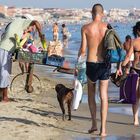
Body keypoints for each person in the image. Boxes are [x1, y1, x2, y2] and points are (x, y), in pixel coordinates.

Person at [77, 3, 111, 136]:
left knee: (91, 95)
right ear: (102, 13)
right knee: (103, 96)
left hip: (91, 64)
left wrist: (77, 64)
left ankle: (94, 124)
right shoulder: (107, 27)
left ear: (92, 13)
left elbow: (83, 50)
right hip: (104, 65)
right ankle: (103, 130)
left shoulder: (85, 28)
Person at [0, 18, 44, 102]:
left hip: (5, 49)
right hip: (5, 49)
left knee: (3, 73)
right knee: (4, 73)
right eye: (31, 28)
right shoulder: (23, 22)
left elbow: (18, 38)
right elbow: (36, 22)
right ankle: (4, 97)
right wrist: (40, 33)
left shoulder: (17, 26)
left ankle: (3, 96)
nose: (31, 29)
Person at [119, 21, 140, 126]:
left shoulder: (134, 42)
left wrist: (122, 66)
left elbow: (128, 56)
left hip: (135, 70)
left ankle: (136, 119)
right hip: (136, 70)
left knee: (135, 97)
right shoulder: (134, 41)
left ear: (137, 31)